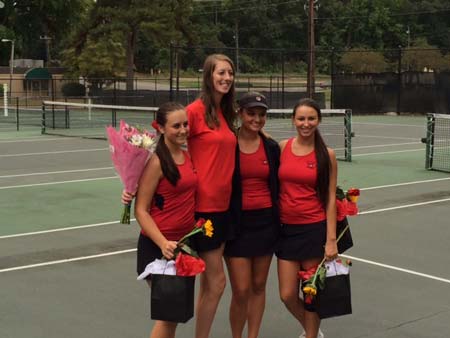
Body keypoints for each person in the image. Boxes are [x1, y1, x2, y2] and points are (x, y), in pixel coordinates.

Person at [132, 102, 197, 338]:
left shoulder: (187, 156)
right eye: (176, 126)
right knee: (169, 315)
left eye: (185, 124)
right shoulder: (156, 162)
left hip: (184, 246)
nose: (183, 130)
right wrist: (162, 243)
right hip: (159, 250)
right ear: (160, 128)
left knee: (174, 315)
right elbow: (141, 210)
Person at [276, 98, 338, 338]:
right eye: (301, 118)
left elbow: (330, 198)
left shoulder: (327, 155)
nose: (306, 123)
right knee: (287, 294)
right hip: (286, 232)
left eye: (311, 118)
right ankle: (312, 328)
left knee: (311, 294)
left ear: (318, 120)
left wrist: (330, 240)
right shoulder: (282, 147)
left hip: (313, 230)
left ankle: (311, 335)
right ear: (293, 120)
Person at [185, 53, 237, 338]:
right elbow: (167, 146)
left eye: (230, 73)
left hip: (225, 207)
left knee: (209, 284)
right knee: (217, 283)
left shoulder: (227, 115)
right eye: (221, 73)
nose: (226, 78)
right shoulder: (193, 111)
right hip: (204, 210)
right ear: (208, 76)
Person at [224, 92, 280, 338]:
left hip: (266, 223)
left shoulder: (271, 146)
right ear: (240, 113)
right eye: (251, 113)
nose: (257, 119)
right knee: (241, 289)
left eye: (261, 114)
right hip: (236, 226)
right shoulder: (227, 143)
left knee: (259, 286)